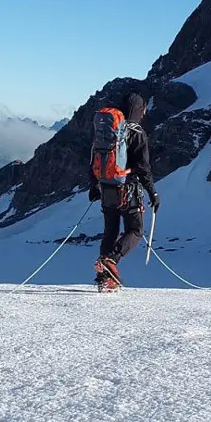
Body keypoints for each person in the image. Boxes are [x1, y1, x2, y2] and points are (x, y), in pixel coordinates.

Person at [88, 92, 159, 291]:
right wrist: (152, 192)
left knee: (110, 231)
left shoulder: (108, 130)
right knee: (135, 230)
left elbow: (94, 157)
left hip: (107, 188)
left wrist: (94, 185)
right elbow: (143, 168)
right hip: (128, 190)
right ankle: (111, 261)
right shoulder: (137, 132)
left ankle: (105, 277)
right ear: (138, 109)